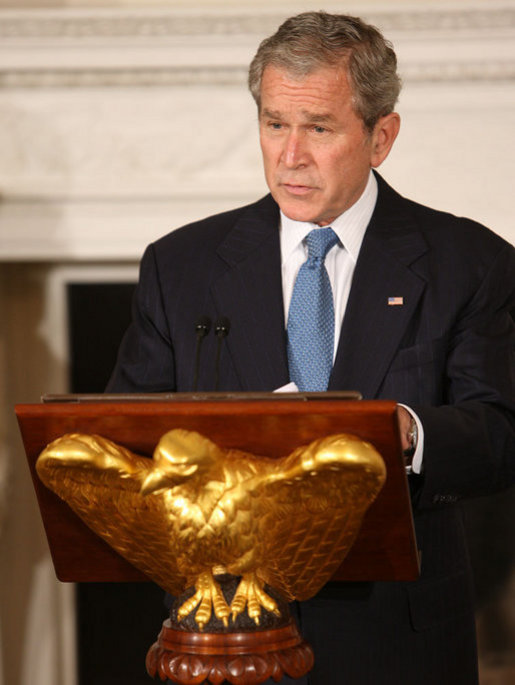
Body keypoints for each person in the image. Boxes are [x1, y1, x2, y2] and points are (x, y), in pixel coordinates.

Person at [107, 11, 515, 684]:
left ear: (379, 137)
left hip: (397, 641)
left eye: (318, 128)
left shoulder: (465, 262)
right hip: (221, 636)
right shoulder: (180, 265)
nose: (289, 155)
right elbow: (127, 441)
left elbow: (501, 432)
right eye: (274, 124)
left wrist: (403, 430)